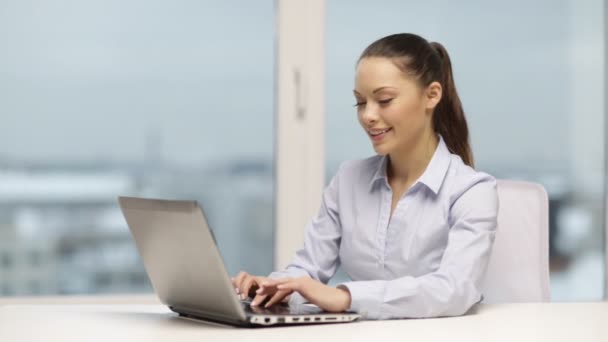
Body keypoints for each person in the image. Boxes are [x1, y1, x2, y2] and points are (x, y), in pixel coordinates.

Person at [232, 33, 498, 320]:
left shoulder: (472, 190)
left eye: (384, 100)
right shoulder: (348, 179)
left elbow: (454, 290)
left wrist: (345, 296)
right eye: (360, 103)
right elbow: (308, 269)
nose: (368, 116)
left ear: (432, 95)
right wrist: (274, 287)